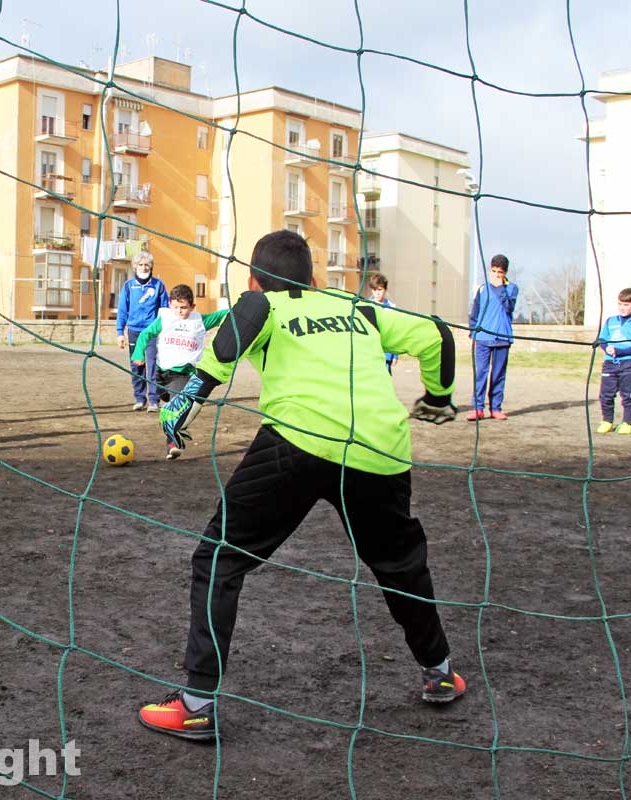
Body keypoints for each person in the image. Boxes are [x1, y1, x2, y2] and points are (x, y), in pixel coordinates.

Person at [138, 230, 463, 741]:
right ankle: (440, 673)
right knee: (399, 566)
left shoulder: (263, 304)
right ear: (314, 280)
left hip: (297, 443)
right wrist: (439, 397)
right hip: (378, 449)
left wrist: (188, 397)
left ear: (254, 279)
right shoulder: (360, 309)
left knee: (218, 559)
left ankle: (196, 706)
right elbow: (437, 334)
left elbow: (246, 316)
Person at [130, 283, 228, 459]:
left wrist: (241, 309)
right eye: (175, 307)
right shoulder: (165, 318)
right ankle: (171, 402)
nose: (179, 311)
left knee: (175, 409)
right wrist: (138, 353)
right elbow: (146, 334)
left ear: (192, 306)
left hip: (183, 375)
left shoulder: (199, 321)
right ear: (170, 304)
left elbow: (222, 315)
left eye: (184, 308)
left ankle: (173, 444)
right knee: (167, 399)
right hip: (161, 374)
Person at [116, 251, 169, 412]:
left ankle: (154, 400)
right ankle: (140, 398)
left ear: (151, 266)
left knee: (153, 365)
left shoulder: (159, 285)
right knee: (137, 366)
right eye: (141, 264)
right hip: (134, 331)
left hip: (152, 332)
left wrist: (163, 329)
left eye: (147, 264)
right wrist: (120, 333)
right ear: (135, 266)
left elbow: (164, 309)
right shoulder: (128, 286)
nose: (144, 267)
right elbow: (122, 311)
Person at [468, 254, 518, 420]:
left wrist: (499, 288)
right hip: (482, 338)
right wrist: (473, 332)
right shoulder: (482, 289)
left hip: (502, 337)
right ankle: (478, 408)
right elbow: (474, 313)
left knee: (498, 374)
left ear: (505, 273)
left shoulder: (512, 288)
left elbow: (509, 307)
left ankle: (495, 407)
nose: (496, 275)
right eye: (494, 271)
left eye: (500, 272)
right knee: (480, 372)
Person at [595, 288, 631, 435]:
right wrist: (607, 349)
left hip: (629, 364)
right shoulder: (610, 321)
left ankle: (627, 423)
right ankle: (607, 421)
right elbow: (602, 339)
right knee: (605, 394)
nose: (622, 307)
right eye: (620, 304)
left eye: (626, 304)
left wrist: (621, 351)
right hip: (610, 363)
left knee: (628, 395)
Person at [367, 272, 398, 374]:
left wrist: (395, 354)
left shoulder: (392, 308)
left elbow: (395, 331)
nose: (377, 293)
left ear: (385, 289)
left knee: (385, 381)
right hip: (370, 352)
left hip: (386, 353)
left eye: (380, 289)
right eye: (374, 290)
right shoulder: (366, 306)